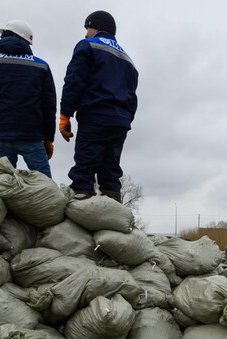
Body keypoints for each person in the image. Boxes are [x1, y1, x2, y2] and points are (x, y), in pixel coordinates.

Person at [59, 11, 138, 202]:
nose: (86, 33)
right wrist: (125, 118)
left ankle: (81, 206)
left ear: (97, 27)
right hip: (120, 122)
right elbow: (132, 97)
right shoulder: (128, 60)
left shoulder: (87, 45)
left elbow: (74, 81)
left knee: (84, 171)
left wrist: (65, 114)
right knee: (110, 173)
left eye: (88, 28)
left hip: (95, 117)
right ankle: (113, 211)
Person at [0, 19, 56, 178]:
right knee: (46, 188)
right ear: (26, 42)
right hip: (32, 136)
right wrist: (48, 138)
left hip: (1, 134)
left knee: (4, 186)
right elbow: (49, 105)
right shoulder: (41, 66)